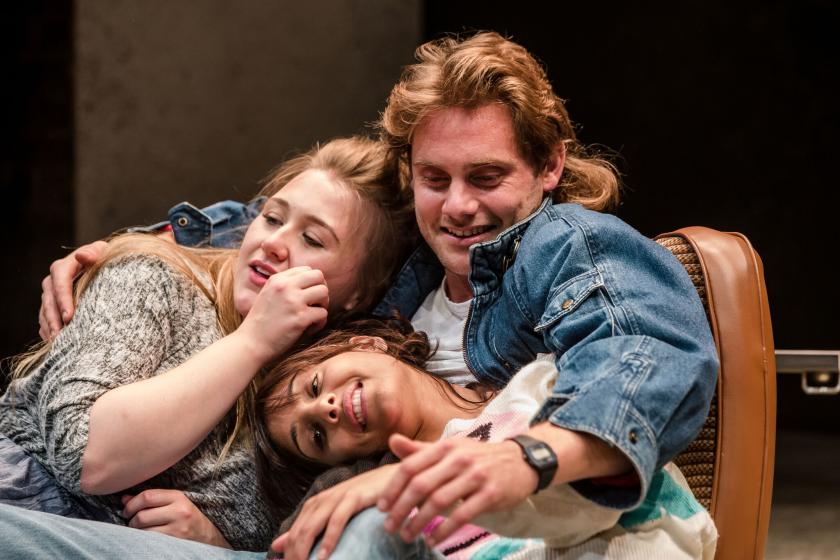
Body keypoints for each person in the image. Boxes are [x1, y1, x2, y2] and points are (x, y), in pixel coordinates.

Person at [32, 31, 718, 560]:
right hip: (317, 534)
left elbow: (648, 352)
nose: (458, 206)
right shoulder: (406, 273)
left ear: (550, 165)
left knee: (374, 516)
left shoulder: (563, 244)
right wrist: (137, 247)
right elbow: (299, 213)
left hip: (464, 524)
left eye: (486, 177)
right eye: (435, 179)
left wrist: (519, 457)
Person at [1, 136, 415, 551]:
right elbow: (85, 457)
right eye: (272, 218)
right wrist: (253, 339)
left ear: (360, 293)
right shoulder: (154, 278)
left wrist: (217, 541)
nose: (273, 243)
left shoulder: (333, 394)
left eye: (312, 239)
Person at [251, 316, 717, 559]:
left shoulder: (542, 384)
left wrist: (410, 484)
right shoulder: (378, 496)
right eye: (315, 436)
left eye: (314, 386)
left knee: (373, 521)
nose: (325, 409)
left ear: (366, 345)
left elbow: (592, 502)